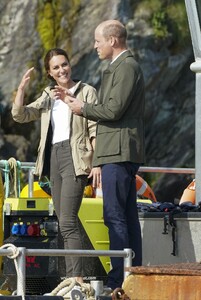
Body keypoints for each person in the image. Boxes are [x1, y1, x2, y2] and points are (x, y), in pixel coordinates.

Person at [53, 20, 145, 290]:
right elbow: (112, 108)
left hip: (118, 151)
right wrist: (76, 102)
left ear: (112, 41)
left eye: (97, 40)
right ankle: (131, 277)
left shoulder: (127, 67)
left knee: (115, 216)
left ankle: (119, 281)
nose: (94, 46)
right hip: (117, 151)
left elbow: (113, 110)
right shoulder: (120, 67)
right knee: (125, 216)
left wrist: (82, 107)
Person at [11, 48, 100, 285]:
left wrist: (97, 162)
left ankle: (77, 277)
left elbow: (95, 130)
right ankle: (70, 275)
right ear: (50, 73)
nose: (62, 70)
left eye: (64, 64)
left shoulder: (86, 91)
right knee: (62, 221)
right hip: (54, 158)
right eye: (56, 67)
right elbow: (21, 115)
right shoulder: (48, 95)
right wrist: (21, 88)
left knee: (68, 220)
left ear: (70, 65)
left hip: (75, 157)